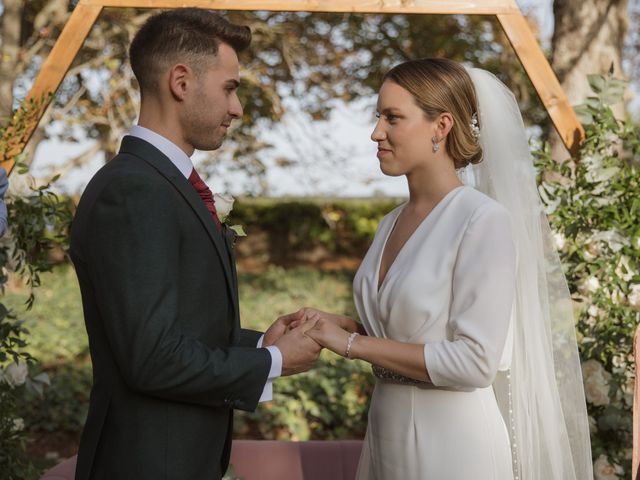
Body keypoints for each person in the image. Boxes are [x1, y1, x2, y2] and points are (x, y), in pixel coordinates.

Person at [292, 58, 593, 479]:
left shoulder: (482, 220)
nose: (376, 132)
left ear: (442, 125)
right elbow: (409, 329)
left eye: (392, 118)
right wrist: (340, 325)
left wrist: (348, 345)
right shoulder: (389, 223)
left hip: (453, 444)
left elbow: (474, 362)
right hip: (386, 430)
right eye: (378, 117)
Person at [69, 9, 320, 480]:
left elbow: (174, 329)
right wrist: (273, 362)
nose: (237, 108)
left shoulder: (162, 183)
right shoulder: (134, 190)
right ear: (181, 81)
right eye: (230, 88)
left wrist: (263, 342)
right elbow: (151, 358)